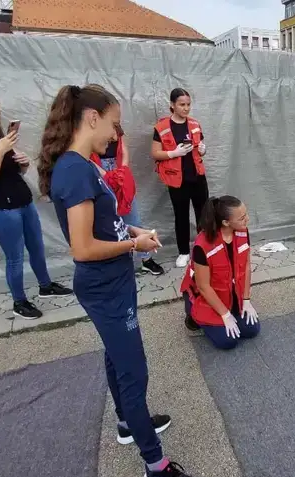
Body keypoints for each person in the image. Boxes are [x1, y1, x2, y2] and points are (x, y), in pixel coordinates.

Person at [38, 83, 197, 477]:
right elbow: (83, 248)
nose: (116, 134)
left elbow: (102, 224)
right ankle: (156, 465)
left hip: (114, 281)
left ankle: (129, 422)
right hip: (103, 284)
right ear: (92, 119)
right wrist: (134, 246)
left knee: (117, 355)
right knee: (134, 370)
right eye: (113, 124)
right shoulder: (74, 170)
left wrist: (134, 230)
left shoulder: (85, 165)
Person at [0, 86, 72, 320]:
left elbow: (13, 172)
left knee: (38, 248)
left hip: (23, 201)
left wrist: (22, 163)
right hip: (1, 209)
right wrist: (0, 151)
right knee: (15, 257)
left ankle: (46, 286)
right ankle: (19, 302)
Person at [179, 195, 260, 350]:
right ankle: (193, 316)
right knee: (228, 341)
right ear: (226, 222)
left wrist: (246, 299)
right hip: (205, 296)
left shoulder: (242, 232)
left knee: (251, 330)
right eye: (242, 218)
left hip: (229, 293)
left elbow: (246, 266)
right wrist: (225, 314)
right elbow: (203, 287)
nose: (247, 219)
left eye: (246, 214)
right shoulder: (202, 245)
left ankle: (230, 311)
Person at [91, 132, 165, 275]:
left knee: (133, 218)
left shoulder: (115, 125)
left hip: (118, 168)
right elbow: (86, 158)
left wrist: (123, 170)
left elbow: (123, 147)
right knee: (111, 220)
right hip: (99, 169)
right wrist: (106, 174)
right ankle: (124, 262)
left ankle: (146, 259)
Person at [151, 88, 208, 269]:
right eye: (182, 104)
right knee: (181, 216)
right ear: (172, 105)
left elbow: (200, 145)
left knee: (204, 215)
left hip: (197, 176)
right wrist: (173, 153)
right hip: (177, 180)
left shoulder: (194, 124)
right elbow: (155, 153)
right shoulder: (161, 127)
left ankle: (204, 249)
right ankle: (184, 252)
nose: (186, 108)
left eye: (188, 104)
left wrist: (202, 149)